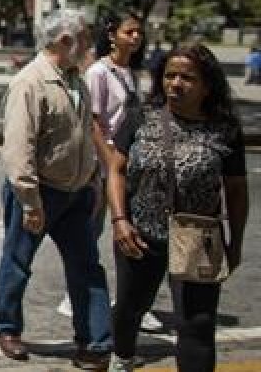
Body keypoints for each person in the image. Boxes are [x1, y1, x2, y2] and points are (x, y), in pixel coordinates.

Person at [105, 44, 249, 372]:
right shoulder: (142, 115)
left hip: (199, 238)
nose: (176, 83)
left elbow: (237, 191)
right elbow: (116, 168)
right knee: (130, 306)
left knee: (197, 324)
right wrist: (119, 220)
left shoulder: (225, 129)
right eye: (170, 76)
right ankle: (122, 356)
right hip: (139, 234)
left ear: (207, 85)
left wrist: (235, 242)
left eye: (187, 77)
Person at [0, 8, 112, 369]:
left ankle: (95, 342)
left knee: (87, 266)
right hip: (38, 192)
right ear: (65, 41)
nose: (91, 45)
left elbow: (85, 136)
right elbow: (17, 149)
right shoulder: (30, 82)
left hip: (77, 193)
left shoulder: (76, 79)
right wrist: (30, 201)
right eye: (86, 38)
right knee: (17, 263)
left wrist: (93, 182)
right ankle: (7, 327)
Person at [61, 9, 162, 330]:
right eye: (129, 31)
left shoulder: (132, 72)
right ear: (111, 35)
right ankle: (77, 293)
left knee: (130, 231)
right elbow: (92, 121)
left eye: (139, 33)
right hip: (102, 163)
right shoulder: (99, 73)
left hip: (128, 163)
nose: (135, 38)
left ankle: (132, 300)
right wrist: (109, 164)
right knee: (92, 229)